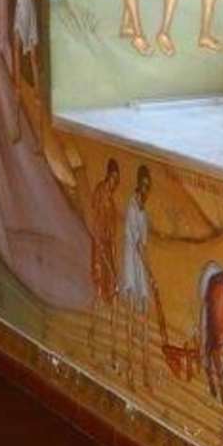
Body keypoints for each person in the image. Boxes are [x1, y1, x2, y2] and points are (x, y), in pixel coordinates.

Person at [119, 164, 158, 380]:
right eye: (144, 185)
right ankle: (130, 369)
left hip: (140, 262)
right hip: (131, 261)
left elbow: (144, 244)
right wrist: (149, 272)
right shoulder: (132, 207)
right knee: (132, 310)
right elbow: (135, 243)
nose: (146, 190)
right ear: (138, 183)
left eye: (148, 187)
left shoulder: (144, 211)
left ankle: (144, 368)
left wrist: (149, 271)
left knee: (143, 311)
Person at [87, 156, 123, 364]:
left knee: (112, 294)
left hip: (107, 249)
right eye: (114, 178)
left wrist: (114, 263)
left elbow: (113, 234)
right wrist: (100, 248)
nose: (115, 183)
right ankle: (93, 335)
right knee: (99, 292)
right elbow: (96, 224)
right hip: (99, 248)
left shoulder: (112, 202)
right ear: (109, 175)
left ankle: (112, 347)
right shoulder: (100, 193)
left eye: (117, 181)